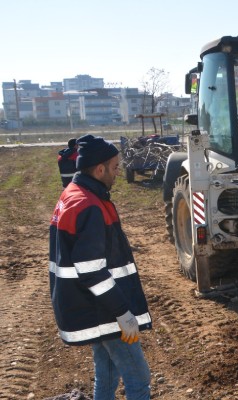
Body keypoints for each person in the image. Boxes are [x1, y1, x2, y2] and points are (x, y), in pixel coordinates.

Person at [49, 134, 152, 399]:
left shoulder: (74, 195)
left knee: (106, 373)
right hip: (104, 311)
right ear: (100, 169)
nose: (118, 173)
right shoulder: (88, 205)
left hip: (93, 309)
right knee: (138, 377)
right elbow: (91, 269)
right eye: (116, 167)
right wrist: (123, 313)